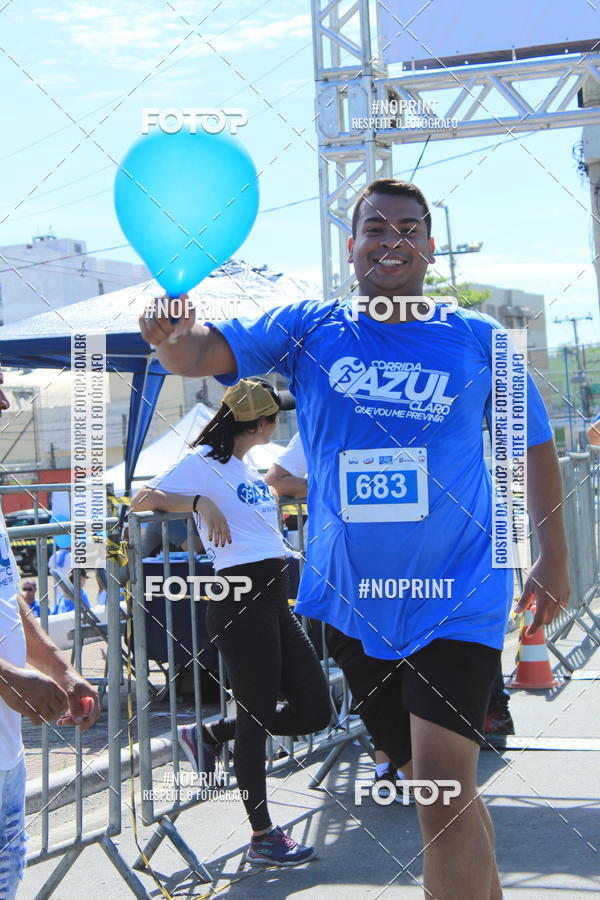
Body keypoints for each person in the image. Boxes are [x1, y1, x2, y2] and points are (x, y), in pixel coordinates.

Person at [139, 178, 570, 899]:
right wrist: (173, 340)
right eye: (376, 228)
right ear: (352, 247)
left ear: (431, 247)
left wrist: (552, 555)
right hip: (352, 602)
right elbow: (197, 357)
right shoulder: (310, 326)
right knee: (441, 791)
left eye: (408, 228)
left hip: (457, 592)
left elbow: (536, 445)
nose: (392, 240)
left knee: (438, 790)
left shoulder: (480, 339)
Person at [131, 378, 331, 867]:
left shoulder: (241, 465)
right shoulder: (202, 464)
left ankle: (213, 734)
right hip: (239, 602)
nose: (278, 422)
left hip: (271, 600)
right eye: (274, 417)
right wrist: (198, 504)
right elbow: (141, 500)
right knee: (258, 719)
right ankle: (262, 834)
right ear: (261, 423)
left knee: (316, 710)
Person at [0, 366, 100, 899]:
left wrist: (62, 670)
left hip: (6, 762)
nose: (4, 406)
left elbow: (10, 603)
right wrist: (9, 677)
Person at [266, 435, 409, 798]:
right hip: (346, 568)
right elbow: (276, 480)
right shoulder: (319, 416)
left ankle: (406, 765)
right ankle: (387, 767)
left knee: (406, 666)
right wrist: (330, 484)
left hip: (410, 564)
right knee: (366, 665)